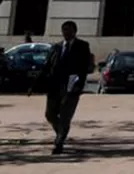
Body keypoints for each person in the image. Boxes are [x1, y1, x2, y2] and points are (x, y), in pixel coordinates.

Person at [35, 20, 92, 154]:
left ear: (74, 31)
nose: (66, 32)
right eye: (64, 30)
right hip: (54, 86)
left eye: (69, 30)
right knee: (50, 115)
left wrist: (79, 85)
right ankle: (61, 132)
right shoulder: (56, 47)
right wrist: (37, 83)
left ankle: (59, 142)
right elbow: (47, 66)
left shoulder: (82, 46)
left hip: (71, 87)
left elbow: (84, 68)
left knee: (65, 116)